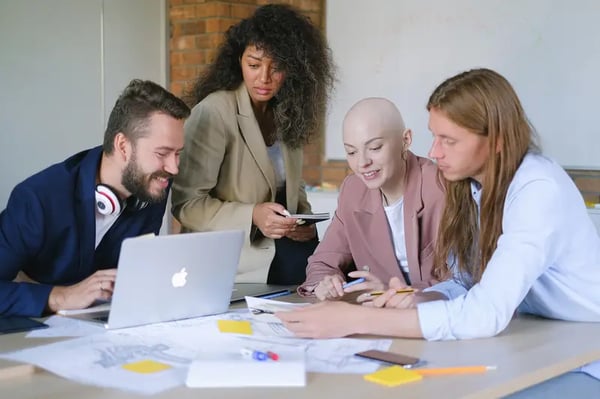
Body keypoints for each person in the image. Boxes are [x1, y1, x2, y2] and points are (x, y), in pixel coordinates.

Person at [277, 68, 600, 341]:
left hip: (585, 338)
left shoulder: (538, 189)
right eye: (435, 137)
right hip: (547, 329)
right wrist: (410, 297)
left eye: (449, 140)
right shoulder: (471, 187)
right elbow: (465, 281)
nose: (434, 152)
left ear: (498, 140)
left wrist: (353, 320)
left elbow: (485, 313)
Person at [171, 4, 336, 284]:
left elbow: (293, 191)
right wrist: (253, 215)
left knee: (339, 272)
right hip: (236, 258)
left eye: (277, 67)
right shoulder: (215, 111)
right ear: (239, 61)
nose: (264, 78)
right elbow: (186, 204)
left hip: (287, 249)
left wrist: (304, 223)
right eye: (254, 64)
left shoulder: (289, 112)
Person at [0, 79, 190, 317]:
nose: (174, 168)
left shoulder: (153, 183)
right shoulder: (38, 198)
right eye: (162, 153)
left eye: (178, 154)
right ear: (123, 146)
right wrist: (61, 296)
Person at [297, 98, 445, 300]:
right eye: (351, 151)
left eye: (375, 148)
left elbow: (465, 279)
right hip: (379, 318)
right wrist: (326, 283)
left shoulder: (440, 186)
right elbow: (323, 262)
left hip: (436, 318)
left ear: (406, 140)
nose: (362, 163)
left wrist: (396, 293)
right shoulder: (353, 190)